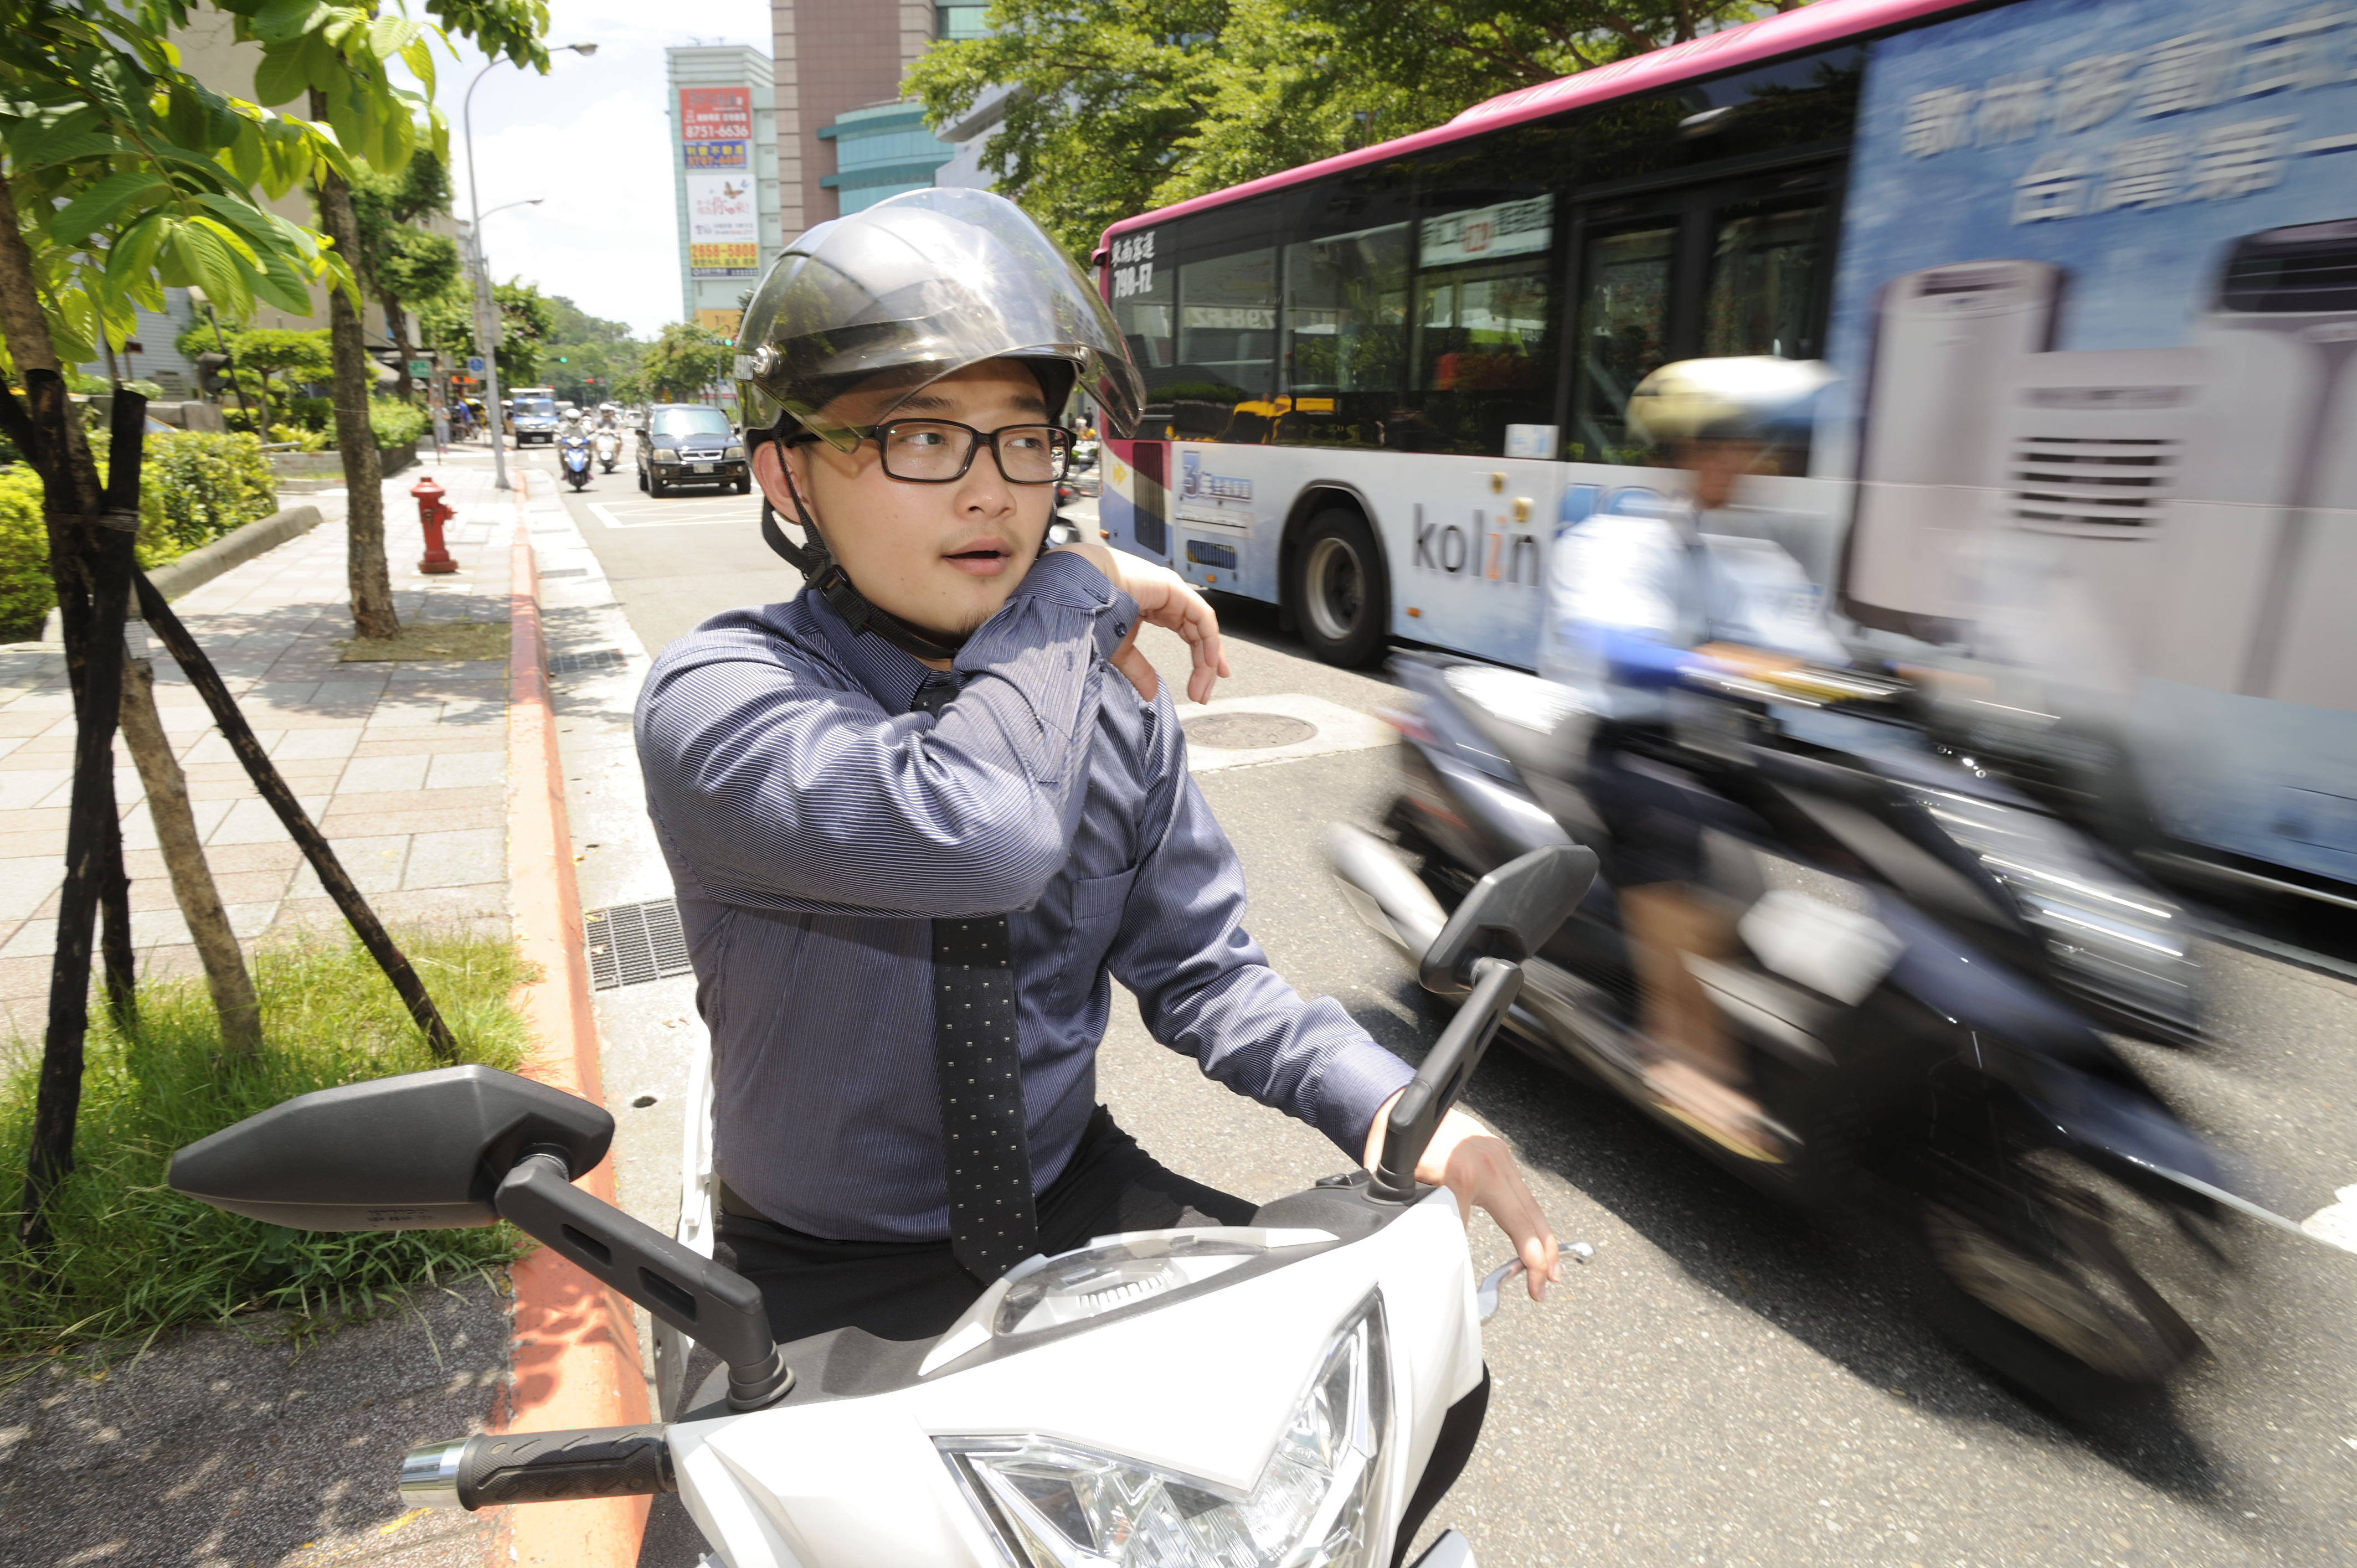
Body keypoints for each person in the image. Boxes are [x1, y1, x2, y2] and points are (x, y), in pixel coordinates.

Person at [636, 189, 1562, 1358]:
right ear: (787, 477)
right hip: (823, 1267)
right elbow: (980, 834)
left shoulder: (1104, 703)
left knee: (1376, 1388)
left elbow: (1205, 975)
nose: (992, 492)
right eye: (923, 438)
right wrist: (1081, 584)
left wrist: (1388, 1104)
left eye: (1024, 439)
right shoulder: (719, 696)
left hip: (1068, 1196)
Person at [1541, 356, 1849, 1161]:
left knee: (1837, 816)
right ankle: (1677, 1043)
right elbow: (1614, 643)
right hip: (1631, 745)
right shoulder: (1617, 540)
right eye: (1716, 447)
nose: (1735, 463)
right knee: (1665, 820)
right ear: (1679, 453)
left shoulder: (1749, 551)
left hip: (1721, 745)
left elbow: (1809, 647)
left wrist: (1899, 679)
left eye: (1742, 447)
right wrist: (1716, 664)